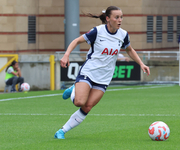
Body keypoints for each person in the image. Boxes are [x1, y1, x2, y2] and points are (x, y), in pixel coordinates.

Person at [54, 6, 150, 139]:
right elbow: (76, 40)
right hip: (89, 71)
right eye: (116, 17)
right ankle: (74, 88)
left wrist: (141, 63)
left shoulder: (123, 34)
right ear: (108, 19)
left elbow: (129, 50)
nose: (119, 20)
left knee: (87, 107)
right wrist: (66, 55)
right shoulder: (97, 31)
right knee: (79, 102)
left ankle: (61, 131)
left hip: (104, 78)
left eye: (121, 17)